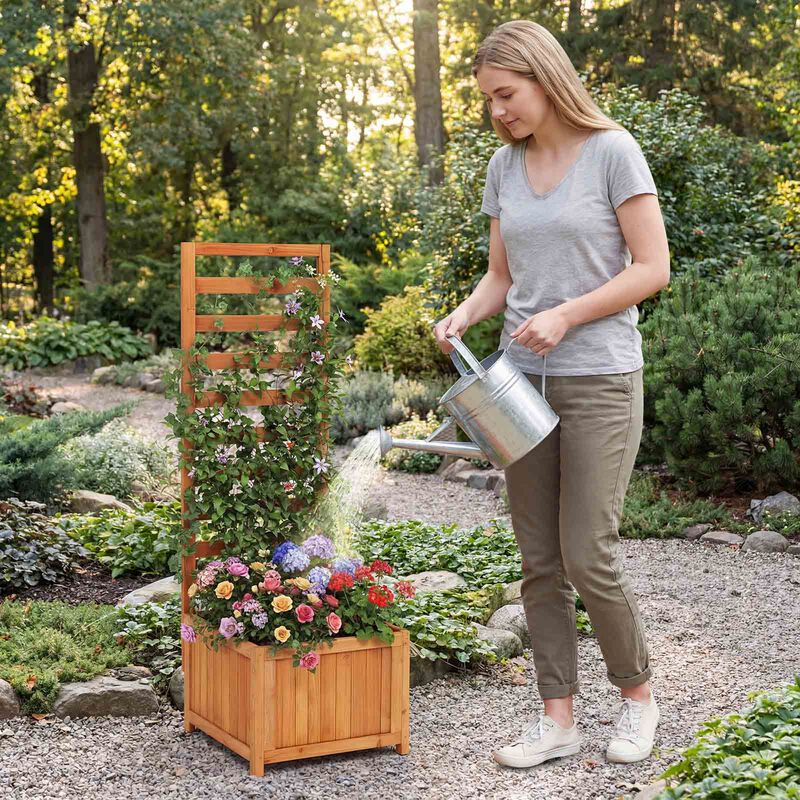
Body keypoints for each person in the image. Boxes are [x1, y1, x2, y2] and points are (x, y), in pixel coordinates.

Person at [433, 20, 670, 769]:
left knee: (586, 552)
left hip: (599, 375)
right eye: (489, 101)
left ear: (544, 76)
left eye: (507, 94)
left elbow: (651, 266)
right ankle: (557, 719)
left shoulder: (612, 151)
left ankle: (637, 699)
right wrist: (467, 313)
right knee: (537, 559)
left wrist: (567, 313)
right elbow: (502, 277)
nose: (499, 111)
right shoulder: (504, 166)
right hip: (518, 383)